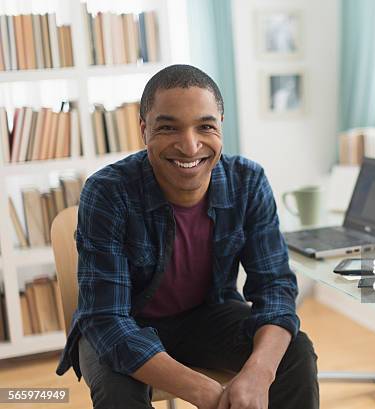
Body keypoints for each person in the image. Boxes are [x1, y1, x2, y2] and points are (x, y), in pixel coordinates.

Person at [56, 64, 319, 409]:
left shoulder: (248, 182)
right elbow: (106, 319)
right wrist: (201, 389)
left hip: (207, 315)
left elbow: (275, 289)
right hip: (125, 323)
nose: (190, 145)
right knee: (118, 392)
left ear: (221, 126)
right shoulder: (108, 192)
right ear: (144, 130)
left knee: (294, 350)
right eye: (168, 128)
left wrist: (258, 372)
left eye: (205, 126)